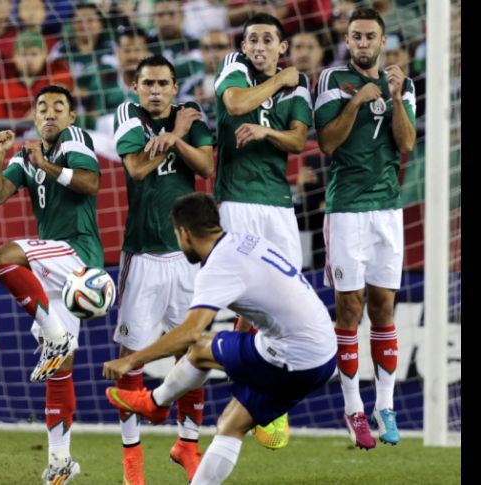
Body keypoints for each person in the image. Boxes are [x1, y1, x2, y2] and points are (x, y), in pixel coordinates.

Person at [103, 192, 337, 485]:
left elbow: (190, 332)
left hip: (292, 354)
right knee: (231, 424)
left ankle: (155, 402)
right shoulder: (246, 242)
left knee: (201, 348)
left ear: (184, 233)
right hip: (324, 356)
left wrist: (131, 361)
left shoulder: (218, 266)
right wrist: (238, 346)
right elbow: (256, 300)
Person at [0, 85, 103, 484]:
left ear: (71, 116)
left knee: (1, 258)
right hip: (53, 262)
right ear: (34, 117)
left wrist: (45, 164)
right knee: (60, 368)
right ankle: (60, 462)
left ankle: (55, 335)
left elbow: (90, 183)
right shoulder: (26, 154)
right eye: (42, 108)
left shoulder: (75, 139)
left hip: (77, 252)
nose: (50, 113)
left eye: (58, 107)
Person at [314, 6, 416, 449]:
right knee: (349, 309)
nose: (362, 43)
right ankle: (354, 408)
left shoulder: (403, 83)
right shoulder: (332, 80)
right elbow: (327, 143)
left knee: (384, 308)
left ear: (382, 40)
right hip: (346, 210)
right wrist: (356, 101)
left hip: (387, 210)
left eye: (369, 36)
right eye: (356, 35)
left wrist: (395, 98)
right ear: (347, 39)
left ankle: (385, 406)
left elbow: (406, 143)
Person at [112, 55, 214, 485]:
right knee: (130, 359)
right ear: (136, 87)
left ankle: (187, 444)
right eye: (147, 83)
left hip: (186, 257)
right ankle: (132, 462)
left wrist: (175, 139)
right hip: (143, 256)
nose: (155, 90)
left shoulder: (191, 113)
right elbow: (136, 168)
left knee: (193, 350)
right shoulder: (128, 114)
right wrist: (175, 136)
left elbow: (206, 167)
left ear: (175, 87)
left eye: (162, 83)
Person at [213, 12, 314, 444]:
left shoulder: (299, 84)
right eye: (252, 39)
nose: (258, 46)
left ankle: (264, 398)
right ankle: (246, 398)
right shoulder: (234, 67)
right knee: (246, 303)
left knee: (286, 299)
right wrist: (278, 80)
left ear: (281, 47)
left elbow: (298, 140)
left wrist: (265, 131)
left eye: (267, 39)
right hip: (236, 199)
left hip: (278, 205)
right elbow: (235, 105)